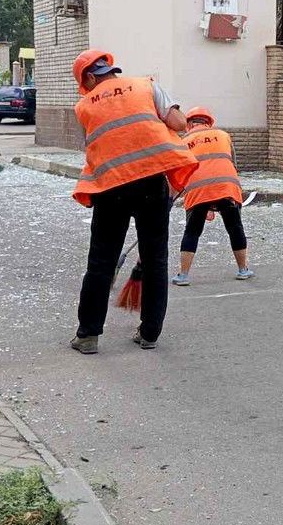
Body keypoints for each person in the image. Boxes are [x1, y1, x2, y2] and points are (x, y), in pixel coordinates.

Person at [68, 49, 198, 355]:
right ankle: (149, 333)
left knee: (101, 262)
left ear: (89, 77)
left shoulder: (84, 106)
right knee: (155, 260)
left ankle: (88, 336)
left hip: (111, 187)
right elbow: (179, 122)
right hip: (151, 182)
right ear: (109, 69)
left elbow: (95, 146)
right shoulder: (145, 85)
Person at [172, 106, 253, 286]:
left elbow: (179, 171)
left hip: (198, 190)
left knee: (192, 231)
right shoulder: (223, 135)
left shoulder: (184, 140)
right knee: (235, 228)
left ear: (189, 124)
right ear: (208, 122)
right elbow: (232, 162)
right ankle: (243, 270)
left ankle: (183, 275)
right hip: (227, 187)